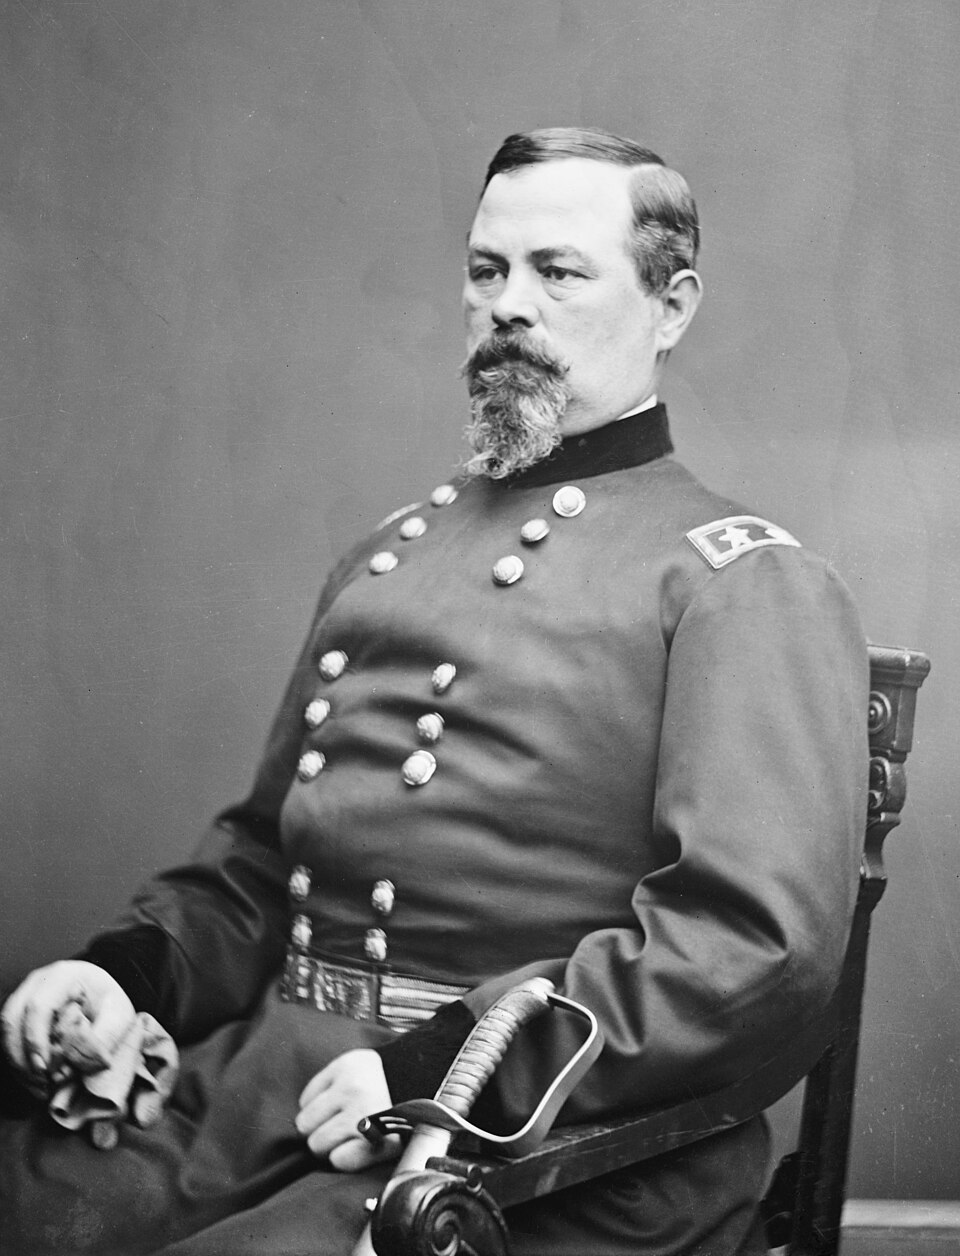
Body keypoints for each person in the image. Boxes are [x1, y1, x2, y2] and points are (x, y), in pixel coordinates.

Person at [0, 127, 867, 1255]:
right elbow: (265, 863)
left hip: (533, 1150)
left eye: (558, 272)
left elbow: (751, 949)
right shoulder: (386, 553)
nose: (510, 304)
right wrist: (125, 977)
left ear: (672, 307)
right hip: (269, 1092)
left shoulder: (738, 581)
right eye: (486, 269)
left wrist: (434, 1072)